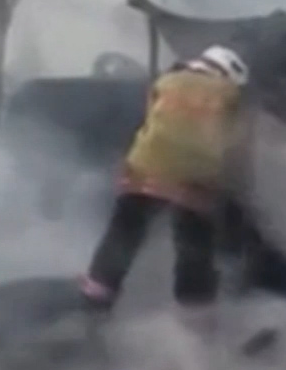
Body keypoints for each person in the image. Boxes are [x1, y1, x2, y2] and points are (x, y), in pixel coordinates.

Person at [78, 45, 252, 333]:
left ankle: (94, 303)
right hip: (194, 181)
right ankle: (197, 319)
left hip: (143, 170)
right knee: (194, 247)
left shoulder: (165, 82)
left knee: (123, 234)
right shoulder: (231, 95)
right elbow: (236, 146)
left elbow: (150, 124)